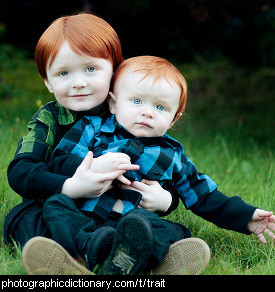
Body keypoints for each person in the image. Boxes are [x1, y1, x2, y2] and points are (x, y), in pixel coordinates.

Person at [23, 56, 275, 275]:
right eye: (136, 102)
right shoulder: (92, 128)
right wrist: (93, 166)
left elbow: (205, 196)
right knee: (56, 205)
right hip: (86, 220)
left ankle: (126, 261)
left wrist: (246, 217)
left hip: (134, 225)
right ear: (113, 103)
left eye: (160, 107)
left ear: (174, 118)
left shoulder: (173, 155)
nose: (147, 112)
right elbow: (59, 161)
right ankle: (94, 253)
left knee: (174, 232)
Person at [4, 13, 187, 275]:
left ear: (115, 70)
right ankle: (84, 256)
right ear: (48, 80)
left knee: (163, 228)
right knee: (22, 218)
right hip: (62, 209)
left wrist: (166, 200)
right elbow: (21, 171)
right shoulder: (50, 118)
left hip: (116, 212)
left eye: (90, 69)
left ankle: (139, 258)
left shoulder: (130, 113)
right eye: (64, 73)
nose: (79, 82)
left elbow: (165, 171)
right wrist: (72, 185)